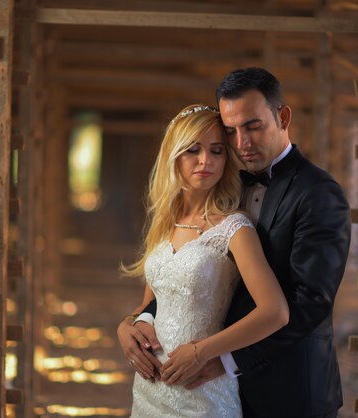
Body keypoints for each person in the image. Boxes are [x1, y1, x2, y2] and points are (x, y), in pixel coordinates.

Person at [118, 67, 351, 418]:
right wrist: (132, 324)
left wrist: (221, 359)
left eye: (253, 126)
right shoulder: (223, 186)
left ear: (282, 117)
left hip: (287, 388)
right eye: (231, 132)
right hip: (202, 382)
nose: (241, 142)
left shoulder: (319, 194)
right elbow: (178, 285)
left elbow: (310, 301)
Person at [119, 103, 290, 417]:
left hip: (202, 392)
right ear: (174, 154)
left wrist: (201, 352)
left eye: (216, 151)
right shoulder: (164, 225)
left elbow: (275, 312)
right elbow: (151, 305)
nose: (205, 161)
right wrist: (125, 327)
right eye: (193, 150)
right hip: (148, 389)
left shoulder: (234, 229)